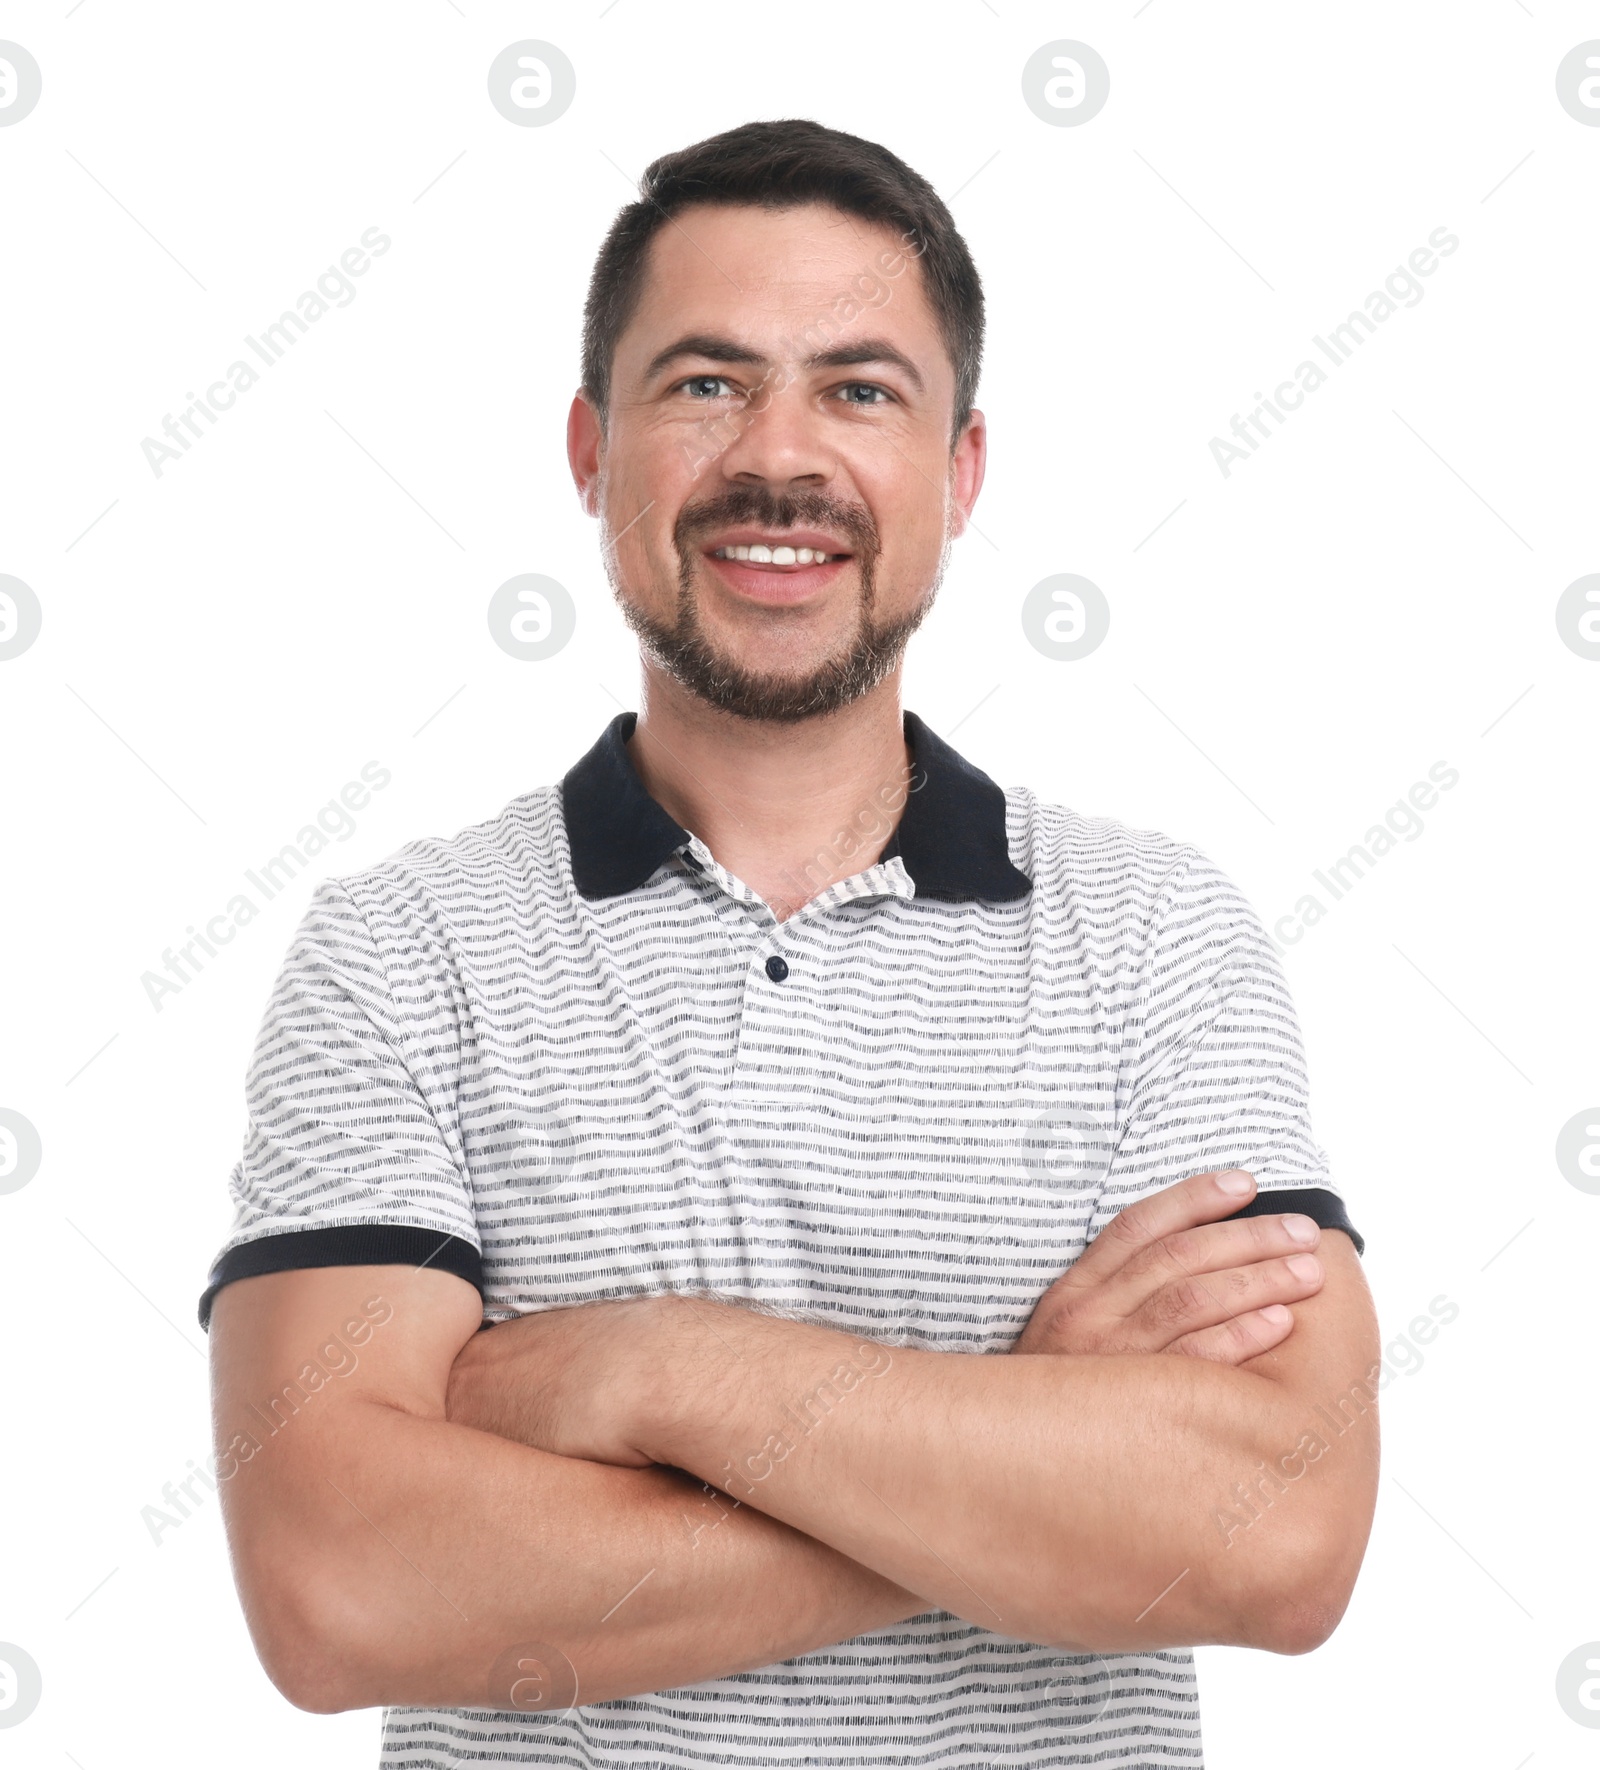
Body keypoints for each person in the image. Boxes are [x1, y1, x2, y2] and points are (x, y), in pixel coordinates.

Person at [203, 118, 1378, 1768]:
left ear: (961, 470)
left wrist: (647, 1365)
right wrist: (1020, 1457)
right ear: (588, 448)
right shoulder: (400, 953)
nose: (780, 456)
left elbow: (1277, 1534)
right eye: (702, 384)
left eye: (860, 389)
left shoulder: (1158, 937)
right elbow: (338, 1584)